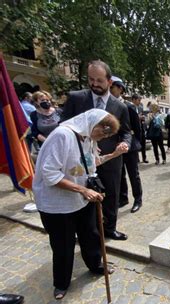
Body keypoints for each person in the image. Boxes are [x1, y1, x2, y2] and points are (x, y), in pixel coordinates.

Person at [33, 109, 127, 299]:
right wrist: (84, 190)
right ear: (94, 122)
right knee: (63, 245)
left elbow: (90, 165)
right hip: (58, 205)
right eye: (104, 131)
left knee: (90, 235)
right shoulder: (62, 136)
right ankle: (61, 283)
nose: (104, 136)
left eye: (108, 134)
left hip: (82, 199)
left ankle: (95, 265)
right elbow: (50, 174)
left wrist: (114, 154)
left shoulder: (87, 138)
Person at [62, 60, 132, 241]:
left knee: (111, 195)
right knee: (84, 196)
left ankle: (109, 229)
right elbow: (63, 126)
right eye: (91, 79)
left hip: (111, 159)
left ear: (110, 82)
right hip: (82, 160)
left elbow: (126, 132)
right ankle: (87, 233)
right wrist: (84, 140)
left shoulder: (120, 106)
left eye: (99, 80)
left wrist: (124, 144)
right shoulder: (76, 98)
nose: (94, 84)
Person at [110, 79, 144, 214]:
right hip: (115, 146)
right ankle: (123, 198)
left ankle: (138, 199)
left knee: (133, 174)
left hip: (130, 146)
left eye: (112, 87)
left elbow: (137, 128)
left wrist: (137, 144)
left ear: (120, 89)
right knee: (120, 174)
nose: (110, 89)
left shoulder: (129, 107)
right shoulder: (108, 106)